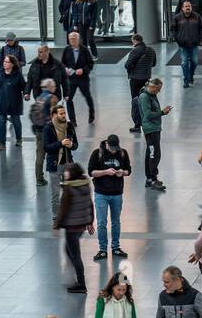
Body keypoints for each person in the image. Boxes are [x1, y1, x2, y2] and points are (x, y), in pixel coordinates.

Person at [87, 133, 131, 261]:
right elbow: (91, 172)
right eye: (111, 148)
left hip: (117, 193)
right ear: (106, 144)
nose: (113, 150)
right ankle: (102, 249)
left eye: (115, 148)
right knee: (101, 222)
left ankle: (116, 247)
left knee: (116, 222)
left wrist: (122, 172)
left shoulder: (122, 153)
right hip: (101, 193)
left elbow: (129, 170)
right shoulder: (97, 153)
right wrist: (106, 172)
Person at [53, 161, 94, 294]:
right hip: (81, 225)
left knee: (75, 255)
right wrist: (90, 221)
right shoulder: (86, 184)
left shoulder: (69, 188)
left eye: (67, 171)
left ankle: (81, 283)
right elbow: (90, 204)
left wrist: (56, 225)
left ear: (72, 174)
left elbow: (63, 209)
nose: (65, 173)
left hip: (71, 226)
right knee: (68, 249)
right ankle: (75, 271)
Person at [138, 77, 171, 191]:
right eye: (158, 89)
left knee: (151, 153)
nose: (159, 92)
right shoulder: (144, 97)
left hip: (155, 128)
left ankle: (150, 178)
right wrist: (162, 112)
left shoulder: (151, 95)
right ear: (152, 87)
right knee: (154, 154)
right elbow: (147, 114)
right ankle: (152, 178)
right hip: (150, 130)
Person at [124, 33, 156, 132]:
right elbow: (154, 63)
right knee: (146, 100)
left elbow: (127, 65)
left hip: (135, 79)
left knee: (136, 101)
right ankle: (149, 122)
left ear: (134, 41)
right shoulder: (151, 50)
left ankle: (137, 125)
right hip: (146, 79)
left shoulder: (134, 51)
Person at [29, 77, 58, 186]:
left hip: (38, 130)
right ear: (50, 87)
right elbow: (55, 116)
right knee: (56, 153)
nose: (55, 87)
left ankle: (39, 179)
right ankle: (59, 177)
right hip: (49, 131)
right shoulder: (52, 98)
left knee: (40, 156)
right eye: (54, 86)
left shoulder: (39, 97)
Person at [62, 30, 95, 126]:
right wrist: (65, 69)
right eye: (70, 38)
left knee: (87, 96)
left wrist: (83, 70)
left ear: (78, 39)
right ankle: (72, 120)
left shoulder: (84, 50)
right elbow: (62, 63)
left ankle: (91, 113)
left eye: (74, 38)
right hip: (71, 79)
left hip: (82, 79)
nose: (72, 40)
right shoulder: (66, 50)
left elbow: (90, 64)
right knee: (69, 98)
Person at [0, 51, 24, 153]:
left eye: (7, 62)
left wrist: (26, 93)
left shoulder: (18, 74)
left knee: (16, 121)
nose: (4, 63)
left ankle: (19, 139)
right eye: (4, 62)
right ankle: (2, 144)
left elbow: (23, 86)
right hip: (1, 101)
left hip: (15, 102)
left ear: (12, 64)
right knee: (2, 122)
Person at [171, 0, 202, 89]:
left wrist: (199, 38)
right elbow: (173, 29)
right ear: (182, 8)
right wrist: (176, 38)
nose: (188, 8)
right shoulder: (177, 17)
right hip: (182, 45)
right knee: (184, 63)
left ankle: (191, 75)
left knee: (194, 62)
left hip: (194, 44)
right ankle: (186, 80)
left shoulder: (197, 16)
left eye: (189, 6)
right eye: (186, 6)